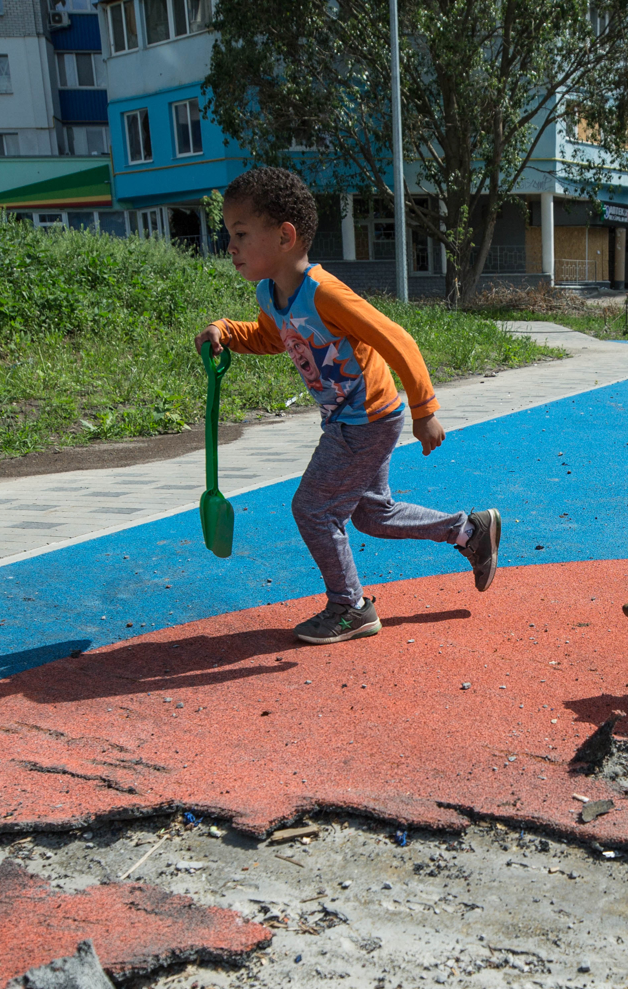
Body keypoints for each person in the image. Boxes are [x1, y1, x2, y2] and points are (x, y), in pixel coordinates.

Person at [195, 166, 499, 644]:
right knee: (371, 514)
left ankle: (350, 606)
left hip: (365, 419)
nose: (229, 246)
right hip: (350, 417)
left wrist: (425, 410)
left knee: (313, 509)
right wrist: (228, 333)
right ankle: (469, 531)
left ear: (285, 236)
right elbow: (273, 337)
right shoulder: (269, 294)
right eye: (227, 234)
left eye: (239, 234)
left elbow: (397, 339)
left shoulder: (326, 294)